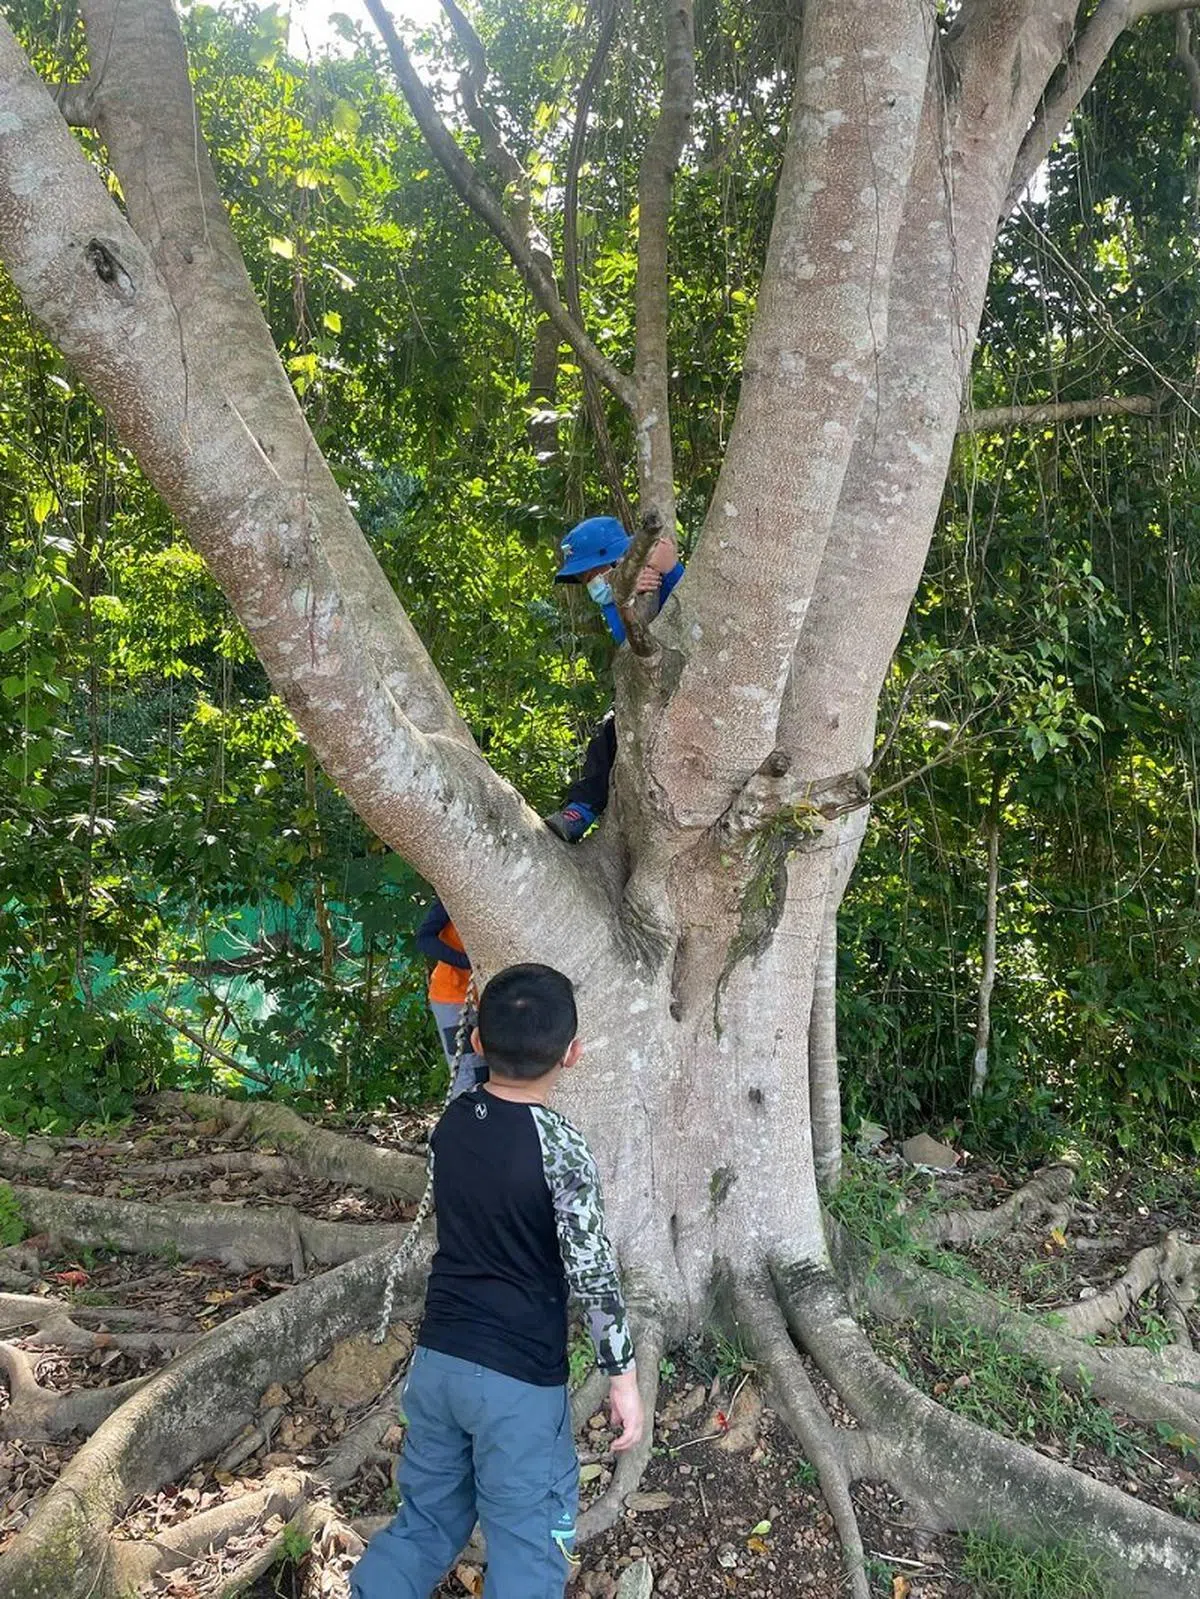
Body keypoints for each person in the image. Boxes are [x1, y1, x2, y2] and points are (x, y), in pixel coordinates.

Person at [350, 963, 642, 1599]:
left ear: (476, 1041)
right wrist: (622, 1379)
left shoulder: (452, 1125)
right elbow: (591, 1269)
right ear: (574, 1053)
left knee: (426, 1521)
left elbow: (479, 1088)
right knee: (530, 1547)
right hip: (517, 1383)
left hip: (439, 1364)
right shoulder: (562, 1147)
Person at [544, 515, 683, 842]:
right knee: (609, 733)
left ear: (616, 560)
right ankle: (584, 808)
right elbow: (632, 646)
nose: (591, 582)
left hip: (683, 685)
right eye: (584, 577)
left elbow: (675, 571)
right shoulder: (614, 601)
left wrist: (664, 567)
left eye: (594, 572)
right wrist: (626, 601)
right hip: (646, 691)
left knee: (609, 732)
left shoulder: (658, 577)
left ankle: (583, 807)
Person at [413, 896, 486, 1097]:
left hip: (490, 998)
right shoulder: (451, 898)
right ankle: (463, 1125)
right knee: (469, 1070)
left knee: (491, 1072)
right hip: (452, 997)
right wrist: (465, 961)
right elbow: (424, 939)